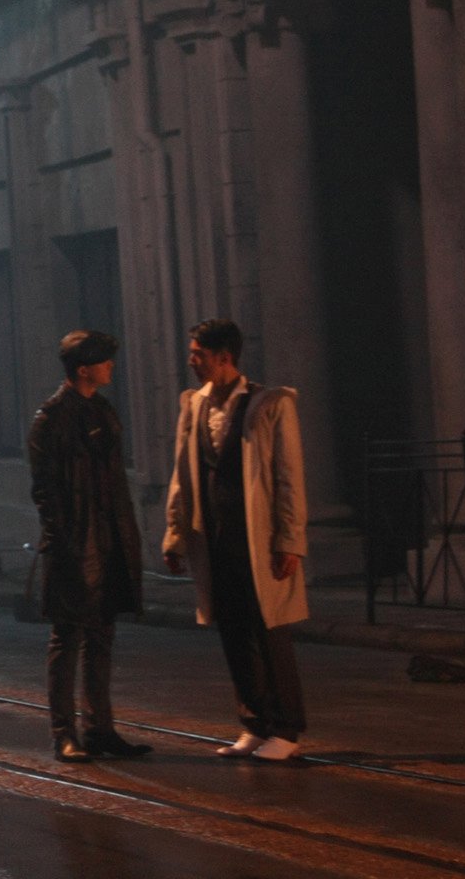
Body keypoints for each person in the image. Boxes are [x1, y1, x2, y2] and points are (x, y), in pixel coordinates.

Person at [162, 318, 309, 761]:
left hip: (258, 535)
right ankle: (253, 722)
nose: (191, 361)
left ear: (224, 357)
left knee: (269, 630)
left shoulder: (270, 403)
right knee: (233, 629)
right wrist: (175, 535)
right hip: (214, 535)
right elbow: (182, 475)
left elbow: (288, 476)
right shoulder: (194, 405)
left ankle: (285, 728)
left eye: (199, 354)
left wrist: (289, 540)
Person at [27, 329, 151, 763]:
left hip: (108, 533)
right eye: (103, 361)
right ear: (83, 369)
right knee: (68, 635)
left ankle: (100, 729)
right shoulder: (52, 418)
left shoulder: (102, 409)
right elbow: (45, 490)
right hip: (75, 539)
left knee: (102, 632)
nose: (111, 367)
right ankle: (64, 732)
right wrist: (61, 540)